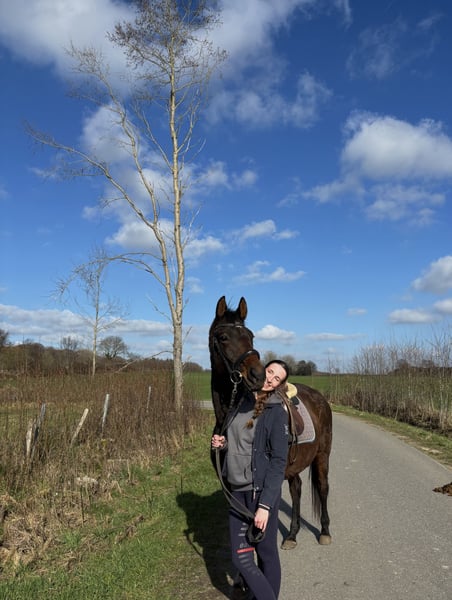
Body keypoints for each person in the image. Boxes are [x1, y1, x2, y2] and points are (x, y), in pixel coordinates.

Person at [211, 360, 290, 600]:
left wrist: (265, 506)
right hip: (237, 491)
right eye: (270, 372)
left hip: (260, 493)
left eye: (277, 379)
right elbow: (239, 440)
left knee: (266, 554)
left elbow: (278, 462)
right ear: (262, 369)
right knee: (241, 558)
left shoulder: (276, 412)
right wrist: (223, 444)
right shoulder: (240, 402)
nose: (270, 379)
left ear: (279, 385)